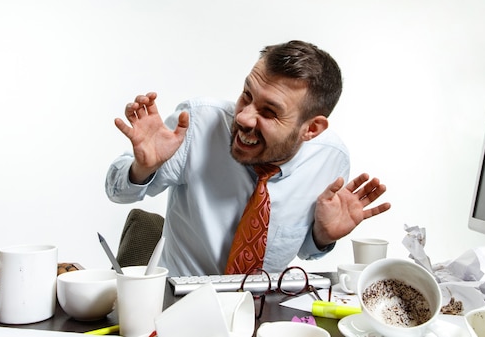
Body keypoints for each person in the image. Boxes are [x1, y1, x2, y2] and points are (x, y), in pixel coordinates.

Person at [105, 40, 390, 276]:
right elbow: (118, 193)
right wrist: (142, 168)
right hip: (180, 305)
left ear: (311, 129)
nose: (243, 117)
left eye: (269, 112)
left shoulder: (330, 160)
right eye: (247, 95)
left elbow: (304, 249)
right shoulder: (198, 123)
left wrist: (322, 236)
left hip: (261, 313)